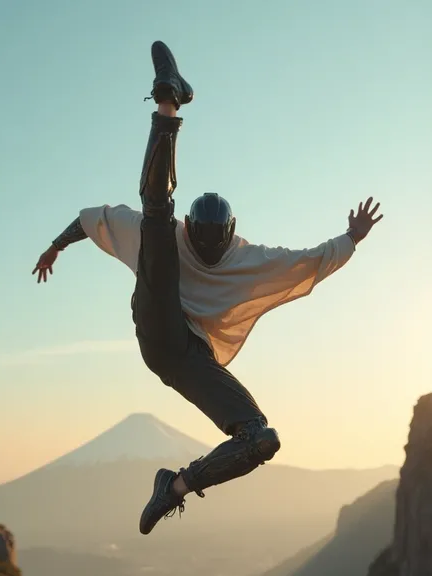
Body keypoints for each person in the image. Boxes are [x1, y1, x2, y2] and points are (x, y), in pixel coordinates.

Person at [32, 41, 383, 535]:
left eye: (216, 247)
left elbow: (307, 261)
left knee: (260, 438)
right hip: (158, 320)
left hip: (191, 357)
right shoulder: (171, 234)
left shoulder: (247, 257)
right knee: (155, 217)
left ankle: (172, 487)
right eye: (201, 243)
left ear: (229, 234)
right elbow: (97, 219)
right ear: (192, 230)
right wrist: (56, 245)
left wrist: (350, 239)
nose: (210, 252)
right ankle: (167, 100)